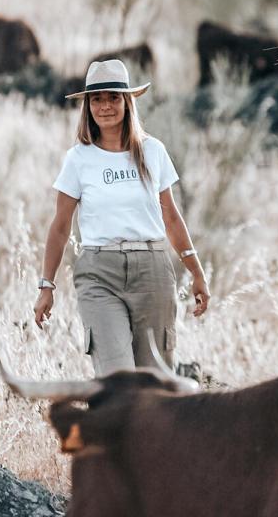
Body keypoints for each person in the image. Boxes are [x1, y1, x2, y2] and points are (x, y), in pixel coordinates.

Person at [34, 59, 210, 376]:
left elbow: (171, 216)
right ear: (87, 106)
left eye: (114, 97)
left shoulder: (153, 151)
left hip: (153, 271)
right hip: (100, 275)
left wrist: (196, 271)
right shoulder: (78, 159)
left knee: (155, 380)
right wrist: (47, 285)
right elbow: (60, 227)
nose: (105, 107)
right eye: (97, 99)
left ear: (127, 103)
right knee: (118, 378)